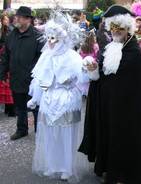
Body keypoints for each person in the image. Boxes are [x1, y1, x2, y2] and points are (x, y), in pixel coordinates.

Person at [78, 5, 141, 184]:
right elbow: (103, 74)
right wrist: (93, 69)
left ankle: (123, 174)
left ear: (128, 29)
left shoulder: (134, 53)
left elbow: (132, 86)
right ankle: (108, 168)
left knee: (123, 140)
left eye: (119, 28)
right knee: (110, 138)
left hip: (127, 111)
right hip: (109, 106)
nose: (115, 32)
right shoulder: (110, 47)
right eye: (112, 28)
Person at [29, 11, 89, 182]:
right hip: (49, 100)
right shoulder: (45, 57)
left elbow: (83, 79)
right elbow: (41, 79)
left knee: (66, 135)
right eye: (48, 38)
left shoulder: (73, 57)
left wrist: (87, 68)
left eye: (53, 38)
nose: (50, 41)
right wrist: (35, 98)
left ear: (62, 39)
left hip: (67, 99)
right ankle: (51, 165)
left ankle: (66, 167)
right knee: (49, 134)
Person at [0, 6, 44, 140]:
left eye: (19, 17)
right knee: (20, 107)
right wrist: (2, 73)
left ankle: (39, 132)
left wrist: (34, 74)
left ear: (28, 19)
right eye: (16, 16)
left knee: (36, 107)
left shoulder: (38, 36)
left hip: (33, 80)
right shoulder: (11, 35)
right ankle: (22, 129)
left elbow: (42, 59)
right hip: (16, 77)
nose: (16, 18)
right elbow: (6, 56)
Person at [0, 14, 15, 117]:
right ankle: (8, 108)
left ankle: (10, 109)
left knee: (8, 84)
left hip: (7, 57)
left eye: (6, 19)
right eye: (3, 19)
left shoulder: (10, 30)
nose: (5, 21)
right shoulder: (2, 31)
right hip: (3, 57)